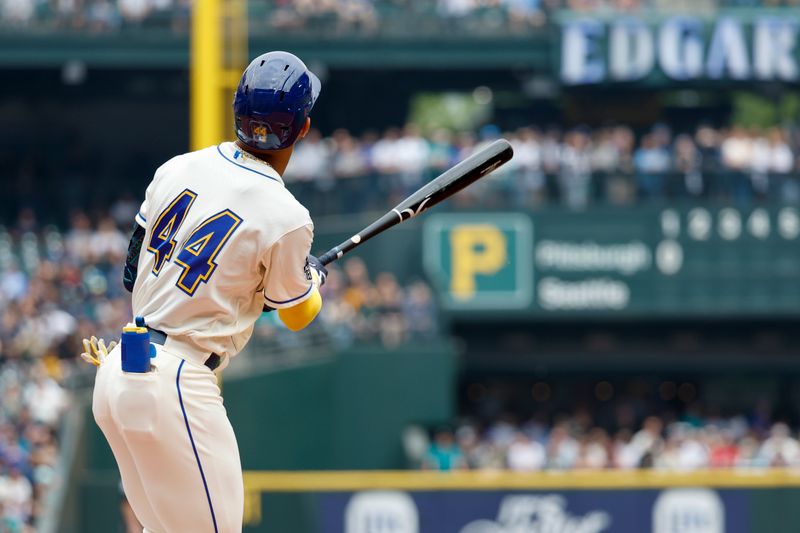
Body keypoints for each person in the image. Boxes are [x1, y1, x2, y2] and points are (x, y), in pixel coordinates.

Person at [82, 51, 328, 532]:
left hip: (120, 370)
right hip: (177, 379)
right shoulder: (287, 215)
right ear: (302, 129)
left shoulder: (179, 167)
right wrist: (312, 278)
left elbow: (132, 271)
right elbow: (297, 314)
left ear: (236, 112)